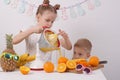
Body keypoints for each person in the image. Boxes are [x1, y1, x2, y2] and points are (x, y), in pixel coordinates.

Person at [12, 0, 72, 69]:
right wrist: (32, 30)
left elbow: (69, 47)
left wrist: (66, 38)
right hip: (29, 67)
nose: (50, 24)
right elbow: (14, 41)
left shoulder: (52, 34)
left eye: (52, 21)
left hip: (46, 68)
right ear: (38, 17)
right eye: (47, 20)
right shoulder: (30, 29)